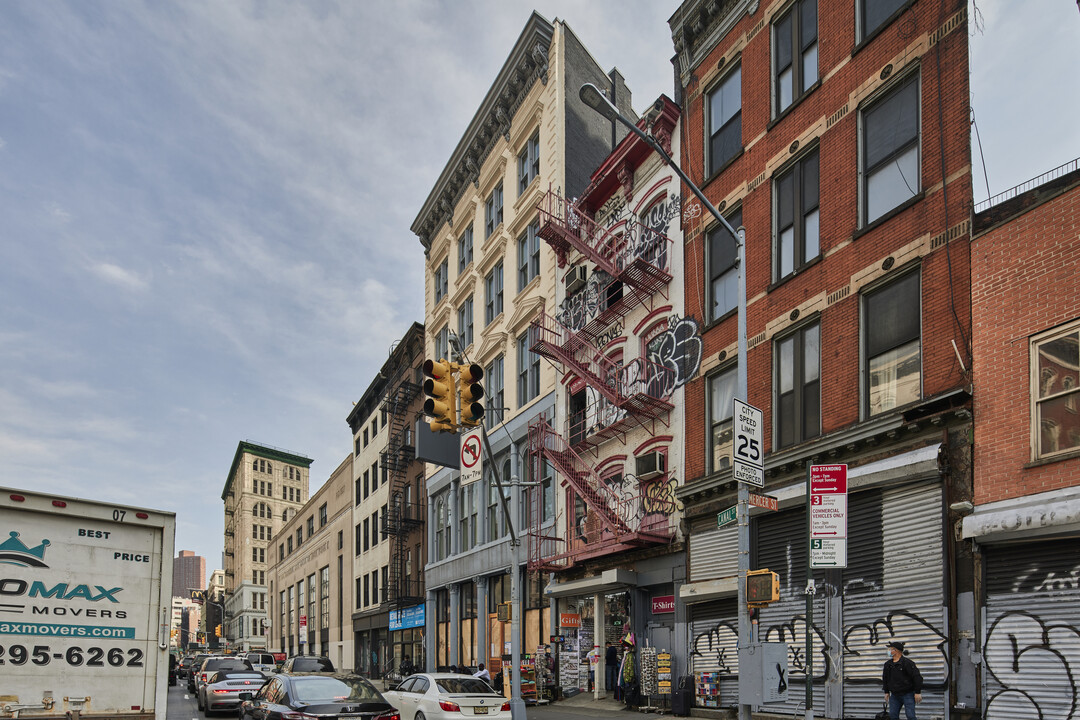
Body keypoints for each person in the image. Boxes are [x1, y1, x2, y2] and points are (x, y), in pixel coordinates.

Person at [882, 641, 923, 720]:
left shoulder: (907, 663)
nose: (889, 651)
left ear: (896, 651)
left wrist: (917, 692)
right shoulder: (888, 664)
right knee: (893, 716)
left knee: (910, 716)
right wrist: (886, 692)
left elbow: (917, 677)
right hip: (894, 695)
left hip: (907, 694)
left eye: (890, 649)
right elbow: (885, 678)